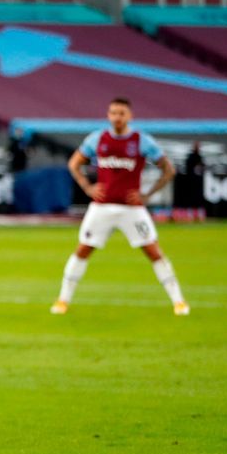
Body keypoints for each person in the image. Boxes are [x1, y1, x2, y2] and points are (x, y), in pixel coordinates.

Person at [50, 97, 189, 317]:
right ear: (108, 115)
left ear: (130, 116)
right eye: (113, 113)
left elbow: (168, 169)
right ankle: (62, 300)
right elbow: (74, 163)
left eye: (121, 113)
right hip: (101, 207)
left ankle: (178, 301)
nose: (117, 117)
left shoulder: (141, 141)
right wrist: (87, 186)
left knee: (153, 251)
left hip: (131, 209)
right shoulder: (97, 139)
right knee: (83, 249)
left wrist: (147, 195)